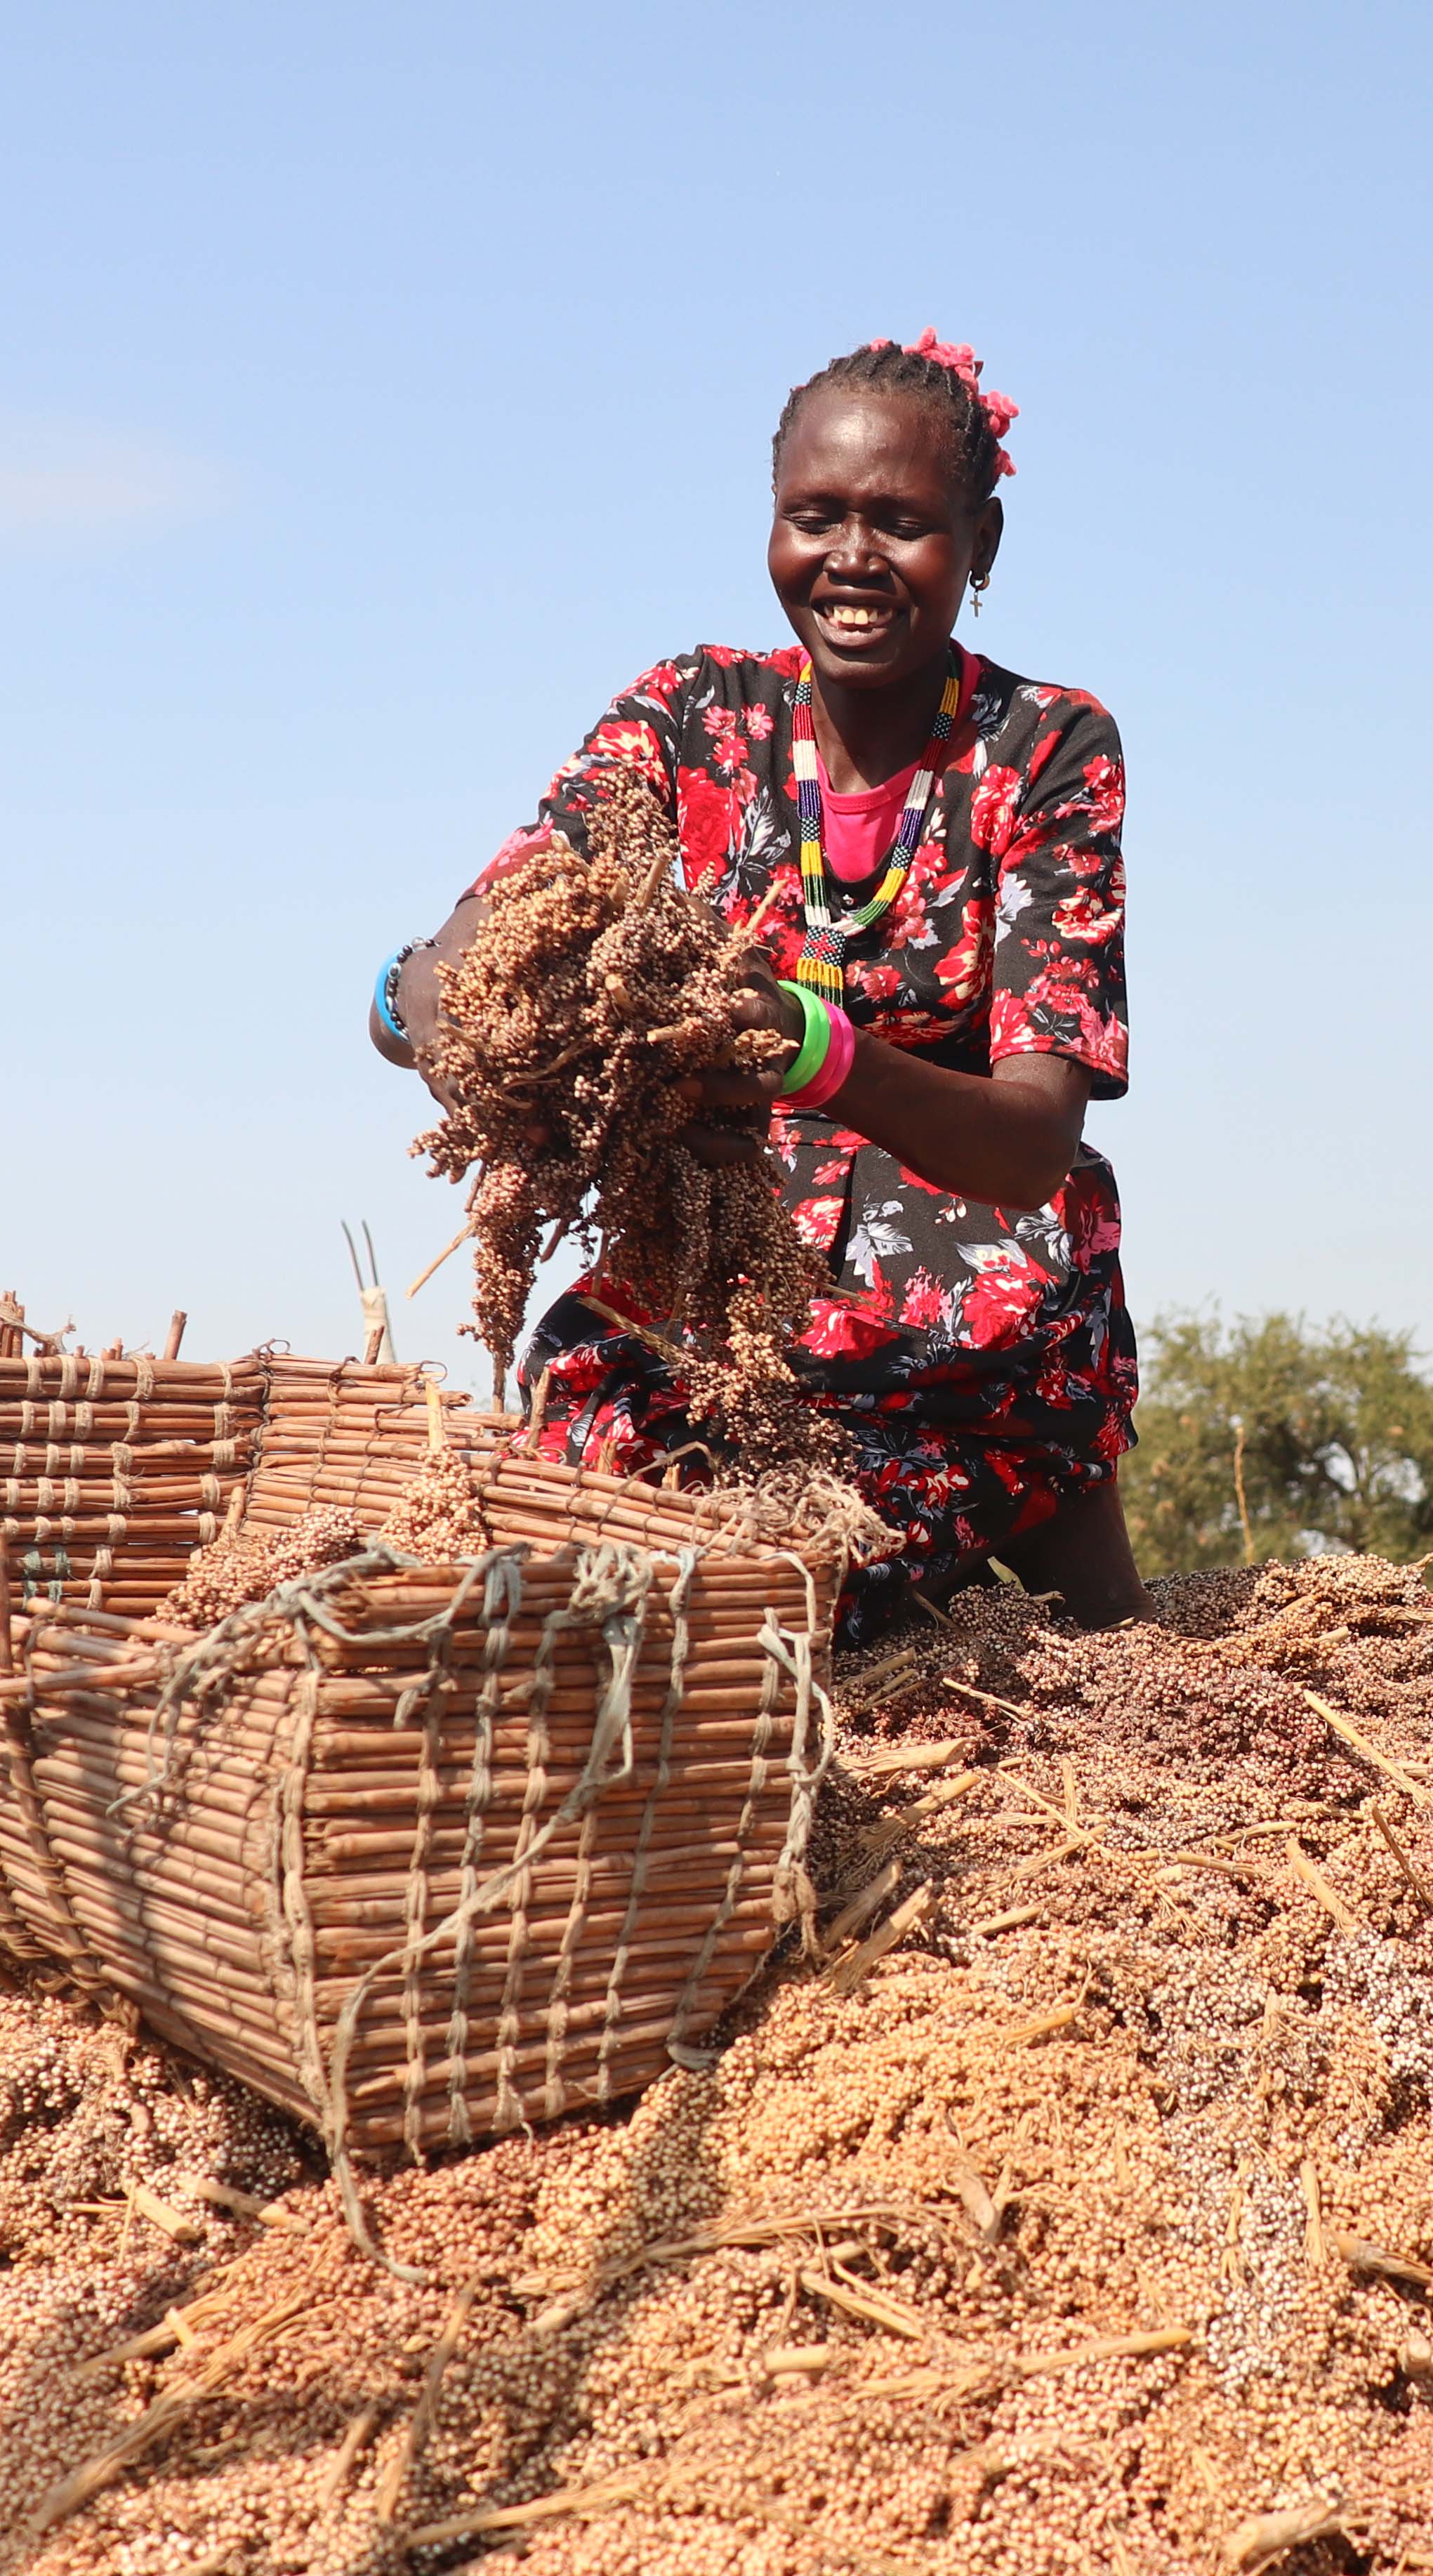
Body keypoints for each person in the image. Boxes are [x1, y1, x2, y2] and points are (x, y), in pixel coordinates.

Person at [371, 334, 1145, 1645]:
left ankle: (1029, 1525)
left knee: (802, 1589)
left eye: (902, 524)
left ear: (983, 543)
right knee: (596, 1510)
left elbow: (1032, 1140)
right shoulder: (691, 715)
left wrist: (814, 1054)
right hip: (717, 1300)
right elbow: (485, 935)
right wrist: (440, 1013)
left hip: (964, 1324)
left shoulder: (1046, 748)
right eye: (816, 518)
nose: (853, 558)